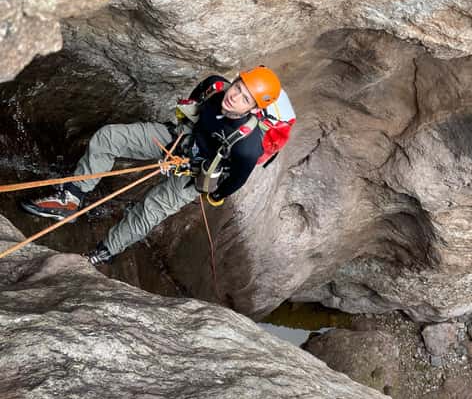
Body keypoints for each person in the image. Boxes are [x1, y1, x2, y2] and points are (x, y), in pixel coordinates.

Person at [21, 66, 281, 265]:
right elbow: (194, 101)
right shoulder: (215, 87)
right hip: (181, 137)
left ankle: (104, 252)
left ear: (254, 108)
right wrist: (181, 138)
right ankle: (70, 199)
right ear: (233, 81)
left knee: (149, 210)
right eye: (238, 87)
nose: (235, 97)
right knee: (108, 137)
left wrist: (213, 192)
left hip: (197, 171)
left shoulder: (248, 145)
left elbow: (235, 181)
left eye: (245, 98)